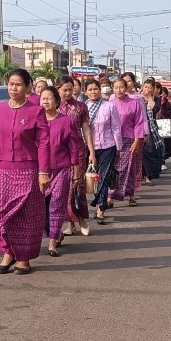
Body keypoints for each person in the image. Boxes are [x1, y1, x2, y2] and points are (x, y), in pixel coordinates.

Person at [0, 69, 49, 275]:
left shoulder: (36, 111)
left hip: (28, 170)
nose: (13, 88)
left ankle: (23, 257)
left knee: (25, 215)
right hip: (3, 169)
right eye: (11, 84)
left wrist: (43, 172)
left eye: (18, 84)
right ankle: (8, 251)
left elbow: (44, 143)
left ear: (27, 87)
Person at [40, 86, 82, 257]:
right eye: (43, 98)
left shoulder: (66, 121)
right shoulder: (34, 121)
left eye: (49, 98)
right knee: (41, 208)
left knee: (56, 205)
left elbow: (74, 148)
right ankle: (55, 232)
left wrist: (76, 170)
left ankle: (52, 242)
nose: (45, 101)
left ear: (57, 101)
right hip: (40, 172)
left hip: (62, 170)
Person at [56, 77, 96, 236]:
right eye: (64, 90)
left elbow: (86, 130)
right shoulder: (53, 106)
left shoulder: (80, 107)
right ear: (57, 89)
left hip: (77, 150)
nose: (67, 93)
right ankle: (71, 222)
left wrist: (91, 151)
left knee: (77, 186)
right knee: (63, 188)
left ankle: (81, 219)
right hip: (58, 151)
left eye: (70, 89)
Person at [84, 79, 121, 224]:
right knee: (92, 178)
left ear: (100, 90)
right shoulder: (84, 107)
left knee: (104, 177)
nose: (93, 92)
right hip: (89, 147)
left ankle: (101, 209)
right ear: (85, 92)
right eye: (90, 89)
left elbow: (116, 127)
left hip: (108, 146)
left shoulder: (109, 106)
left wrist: (118, 147)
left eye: (95, 89)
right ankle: (98, 200)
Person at [112, 78, 150, 205]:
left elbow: (139, 123)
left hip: (130, 139)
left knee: (129, 168)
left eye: (121, 87)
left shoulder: (135, 103)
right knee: (115, 168)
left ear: (126, 88)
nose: (118, 90)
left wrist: (137, 141)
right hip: (113, 141)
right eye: (116, 87)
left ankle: (130, 194)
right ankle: (111, 195)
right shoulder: (110, 103)